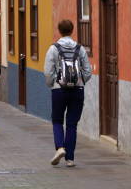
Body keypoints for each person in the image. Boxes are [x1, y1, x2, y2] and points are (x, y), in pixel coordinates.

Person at [44, 20, 92, 167]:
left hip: (59, 90)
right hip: (77, 90)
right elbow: (88, 71)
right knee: (72, 124)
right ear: (72, 30)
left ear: (59, 30)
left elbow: (48, 72)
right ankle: (70, 158)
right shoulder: (80, 49)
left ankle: (60, 148)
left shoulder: (53, 49)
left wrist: (52, 84)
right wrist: (80, 81)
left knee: (57, 120)